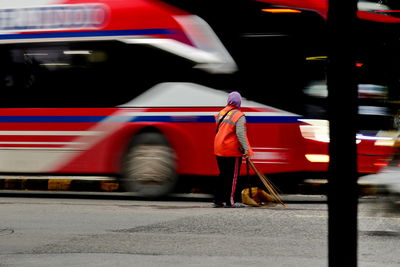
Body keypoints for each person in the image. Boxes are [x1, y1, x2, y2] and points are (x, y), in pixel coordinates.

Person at [213, 91, 253, 208]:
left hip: (219, 147)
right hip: (231, 150)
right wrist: (246, 149)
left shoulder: (221, 113)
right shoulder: (239, 115)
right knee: (232, 177)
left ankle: (218, 200)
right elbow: (240, 133)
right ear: (239, 102)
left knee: (223, 175)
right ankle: (230, 201)